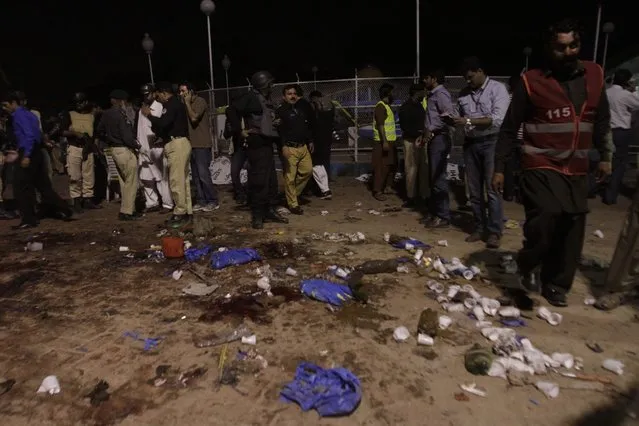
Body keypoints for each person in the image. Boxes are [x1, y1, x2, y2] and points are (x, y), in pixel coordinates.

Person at [494, 18, 613, 307]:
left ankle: (556, 284)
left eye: (574, 45)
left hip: (577, 166)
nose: (569, 52)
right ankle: (529, 261)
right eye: (561, 48)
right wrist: (499, 168)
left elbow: (601, 119)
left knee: (572, 225)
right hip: (540, 163)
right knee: (546, 216)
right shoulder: (531, 82)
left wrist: (606, 156)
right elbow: (510, 128)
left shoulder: (594, 75)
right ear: (548, 48)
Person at [451, 57, 510, 248]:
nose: (468, 81)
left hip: (492, 142)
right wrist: (452, 120)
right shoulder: (463, 93)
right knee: (474, 192)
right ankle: (479, 228)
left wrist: (468, 121)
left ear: (480, 71)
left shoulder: (497, 89)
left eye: (470, 77)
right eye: (465, 78)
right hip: (471, 144)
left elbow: (498, 119)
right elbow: (458, 116)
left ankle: (494, 231)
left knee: (492, 190)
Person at [226, 70, 288, 229]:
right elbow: (231, 110)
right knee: (259, 180)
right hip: (256, 143)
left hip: (267, 143)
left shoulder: (264, 99)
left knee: (270, 180)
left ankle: (268, 209)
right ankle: (258, 214)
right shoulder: (250, 97)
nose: (272, 86)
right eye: (269, 83)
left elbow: (265, 119)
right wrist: (240, 131)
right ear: (262, 84)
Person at [1, 91, 73, 228]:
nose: (5, 108)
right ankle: (65, 209)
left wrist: (26, 155)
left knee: (21, 187)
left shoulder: (18, 116)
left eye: (6, 105)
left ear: (13, 103)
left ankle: (28, 219)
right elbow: (37, 133)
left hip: (28, 151)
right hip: (36, 150)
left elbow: (28, 135)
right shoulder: (30, 114)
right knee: (43, 185)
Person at [141, 81, 192, 228]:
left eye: (158, 95)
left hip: (177, 144)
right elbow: (166, 126)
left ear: (164, 93)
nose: (158, 99)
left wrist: (149, 115)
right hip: (180, 143)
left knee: (176, 181)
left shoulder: (172, 104)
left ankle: (180, 212)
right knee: (183, 181)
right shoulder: (175, 104)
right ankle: (186, 211)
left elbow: (163, 123)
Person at [97, 90, 140, 220]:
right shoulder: (120, 114)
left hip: (114, 150)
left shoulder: (105, 114)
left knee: (124, 182)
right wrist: (136, 145)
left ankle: (127, 209)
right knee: (131, 182)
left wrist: (110, 138)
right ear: (121, 101)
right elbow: (126, 136)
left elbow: (99, 131)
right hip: (124, 149)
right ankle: (127, 212)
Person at [179, 82, 219, 212]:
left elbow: (194, 118)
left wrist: (187, 104)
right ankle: (201, 200)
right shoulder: (184, 105)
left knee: (203, 174)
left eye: (183, 91)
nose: (181, 94)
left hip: (201, 143)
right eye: (180, 91)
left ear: (190, 92)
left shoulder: (200, 101)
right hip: (191, 144)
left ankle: (212, 200)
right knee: (195, 175)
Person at [423, 70, 455, 228]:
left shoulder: (441, 94)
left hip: (440, 138)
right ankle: (435, 213)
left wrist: (433, 129)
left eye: (426, 77)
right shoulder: (432, 94)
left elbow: (448, 117)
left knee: (438, 178)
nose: (424, 80)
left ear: (434, 78)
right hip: (434, 137)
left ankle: (443, 216)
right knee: (433, 177)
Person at [602, 69, 639, 205]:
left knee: (604, 159)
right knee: (619, 163)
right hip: (621, 132)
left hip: (606, 131)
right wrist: (633, 89)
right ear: (627, 81)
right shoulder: (625, 95)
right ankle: (610, 196)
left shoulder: (606, 92)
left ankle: (592, 187)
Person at [276, 84, 313, 214]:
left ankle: (291, 195)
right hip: (290, 148)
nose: (293, 96)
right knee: (290, 178)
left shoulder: (300, 109)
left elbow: (306, 127)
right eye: (289, 94)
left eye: (294, 93)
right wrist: (283, 146)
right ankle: (293, 204)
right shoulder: (281, 111)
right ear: (284, 96)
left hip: (303, 147)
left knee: (308, 171)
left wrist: (310, 141)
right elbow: (279, 131)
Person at [137, 83, 173, 213]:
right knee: (146, 178)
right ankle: (152, 203)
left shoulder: (159, 107)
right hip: (143, 148)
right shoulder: (142, 108)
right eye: (144, 94)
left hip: (156, 147)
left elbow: (161, 126)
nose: (145, 96)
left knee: (161, 178)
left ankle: (167, 204)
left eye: (147, 94)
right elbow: (140, 129)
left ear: (153, 93)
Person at [62, 92, 101, 212]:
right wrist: (75, 133)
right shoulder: (69, 115)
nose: (80, 104)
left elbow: (95, 134)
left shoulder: (91, 116)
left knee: (89, 175)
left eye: (82, 102)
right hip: (74, 147)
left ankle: (88, 198)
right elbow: (62, 131)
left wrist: (95, 147)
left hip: (88, 148)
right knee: (74, 175)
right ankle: (76, 200)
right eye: (78, 102)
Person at [398, 83, 427, 208]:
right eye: (422, 92)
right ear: (417, 92)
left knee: (423, 169)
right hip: (411, 141)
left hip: (420, 140)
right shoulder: (406, 107)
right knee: (411, 169)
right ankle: (411, 197)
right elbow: (405, 127)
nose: (424, 95)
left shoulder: (419, 105)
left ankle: (423, 195)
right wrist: (419, 134)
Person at [372, 83, 397, 201]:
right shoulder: (381, 106)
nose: (394, 95)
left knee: (389, 165)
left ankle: (387, 187)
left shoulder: (386, 106)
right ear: (388, 93)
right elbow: (381, 125)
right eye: (392, 92)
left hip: (390, 141)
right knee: (381, 167)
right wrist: (385, 141)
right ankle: (378, 190)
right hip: (382, 142)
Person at [308, 90, 334, 199]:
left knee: (319, 164)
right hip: (318, 142)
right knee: (318, 164)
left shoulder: (323, 111)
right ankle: (321, 187)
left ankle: (323, 188)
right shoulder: (312, 112)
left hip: (322, 141)